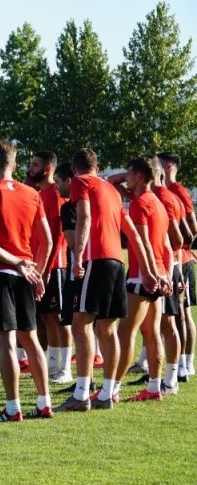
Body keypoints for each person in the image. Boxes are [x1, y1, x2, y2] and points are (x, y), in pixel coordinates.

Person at [55, 148, 156, 412]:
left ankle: (81, 394)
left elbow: (85, 216)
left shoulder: (81, 182)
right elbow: (133, 234)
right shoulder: (111, 190)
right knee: (107, 329)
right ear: (97, 167)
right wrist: (147, 270)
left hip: (95, 259)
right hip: (116, 262)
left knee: (81, 324)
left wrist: (78, 257)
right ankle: (107, 393)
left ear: (74, 169)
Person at [0, 140, 53, 421]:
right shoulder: (32, 193)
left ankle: (12, 408)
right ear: (14, 164)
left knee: (6, 343)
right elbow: (48, 241)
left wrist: (16, 262)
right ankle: (44, 403)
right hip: (26, 273)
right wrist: (36, 271)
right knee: (30, 339)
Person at [111, 157, 173, 403]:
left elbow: (142, 242)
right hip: (158, 274)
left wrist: (148, 273)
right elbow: (167, 247)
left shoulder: (139, 204)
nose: (125, 176)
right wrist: (166, 275)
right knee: (151, 332)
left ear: (138, 176)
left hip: (142, 276)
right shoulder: (157, 203)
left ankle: (112, 389)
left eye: (129, 173)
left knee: (125, 334)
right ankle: (154, 387)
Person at [26, 151, 73, 379]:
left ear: (47, 169)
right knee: (45, 317)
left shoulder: (54, 195)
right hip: (40, 265)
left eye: (34, 165)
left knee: (58, 318)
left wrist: (46, 268)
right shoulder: (39, 194)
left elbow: (55, 237)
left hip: (55, 266)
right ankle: (51, 365)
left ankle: (65, 369)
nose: (30, 168)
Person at [160, 152, 196, 378]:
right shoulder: (164, 190)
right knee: (170, 315)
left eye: (161, 162)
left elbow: (191, 227)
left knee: (182, 314)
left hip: (181, 261)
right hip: (173, 259)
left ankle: (187, 364)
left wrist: (182, 249)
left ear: (170, 165)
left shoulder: (177, 191)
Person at [52, 163, 77, 384]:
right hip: (87, 266)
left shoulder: (69, 207)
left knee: (68, 319)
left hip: (72, 268)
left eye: (58, 182)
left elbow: (73, 243)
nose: (55, 186)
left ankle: (66, 369)